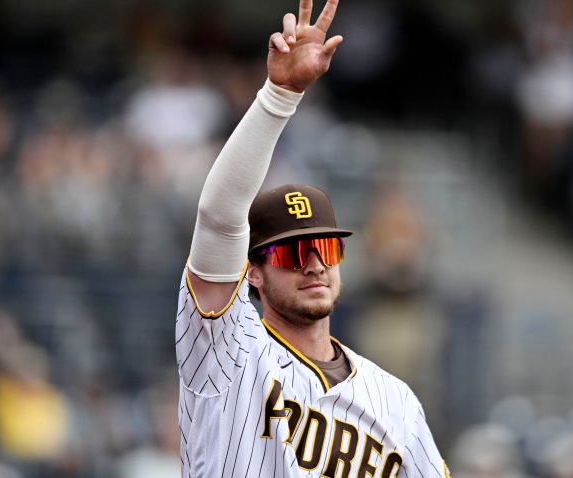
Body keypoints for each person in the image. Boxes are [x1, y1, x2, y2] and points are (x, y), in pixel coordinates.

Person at [175, 0, 450, 476]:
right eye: (293, 251)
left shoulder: (395, 399)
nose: (314, 264)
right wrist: (278, 97)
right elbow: (219, 217)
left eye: (324, 248)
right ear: (253, 272)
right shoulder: (228, 349)